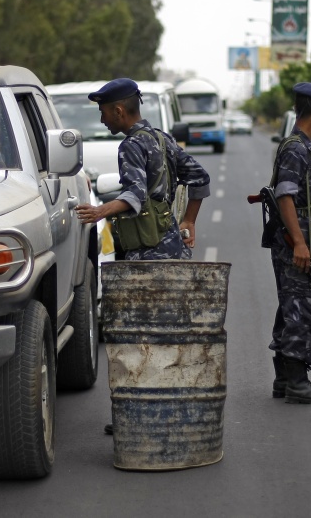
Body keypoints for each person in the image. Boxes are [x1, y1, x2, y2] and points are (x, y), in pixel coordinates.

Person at [74, 78, 211, 433]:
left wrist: (99, 212)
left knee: (139, 337)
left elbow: (134, 197)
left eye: (104, 112)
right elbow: (200, 177)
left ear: (119, 110)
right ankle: (174, 413)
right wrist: (189, 221)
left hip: (144, 261)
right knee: (171, 334)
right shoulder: (162, 139)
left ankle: (139, 415)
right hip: (172, 252)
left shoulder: (132, 146)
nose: (103, 119)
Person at [268, 82, 311, 404]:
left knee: (291, 306)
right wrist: (299, 243)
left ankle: (284, 378)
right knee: (302, 308)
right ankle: (297, 382)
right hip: (297, 247)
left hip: (301, 244)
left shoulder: (300, 145)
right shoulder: (296, 148)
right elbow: (284, 195)